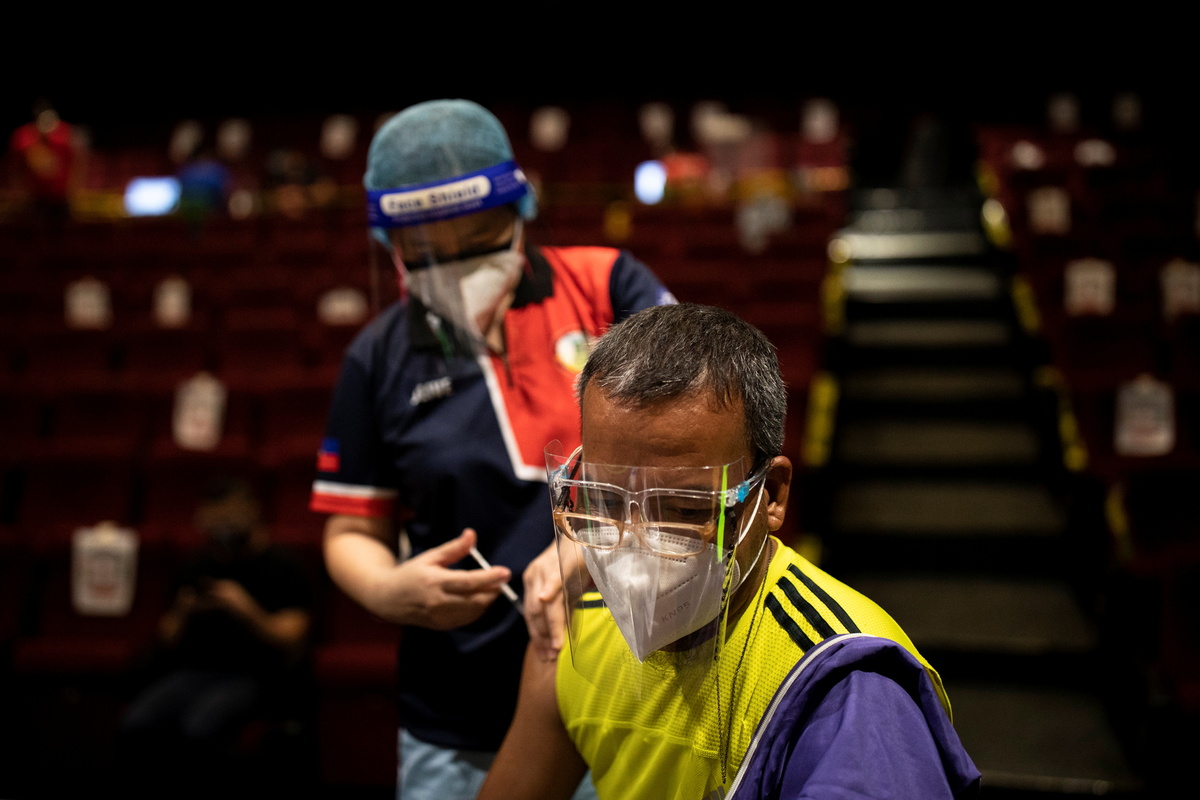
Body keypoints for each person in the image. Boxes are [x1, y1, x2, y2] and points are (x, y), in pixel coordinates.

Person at [310, 98, 675, 800]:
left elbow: (690, 444)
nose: (456, 265)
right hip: (455, 714)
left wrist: (592, 541)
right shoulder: (376, 358)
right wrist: (390, 590)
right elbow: (351, 529)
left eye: (479, 238)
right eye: (425, 250)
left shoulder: (608, 286)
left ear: (520, 208)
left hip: (630, 684)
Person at [478, 303, 982, 800]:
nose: (633, 550)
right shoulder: (574, 635)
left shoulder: (848, 688)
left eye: (683, 509)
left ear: (772, 495)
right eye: (605, 501)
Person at [116, 475, 314, 799]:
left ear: (253, 512)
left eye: (231, 515)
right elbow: (166, 639)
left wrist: (244, 608)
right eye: (216, 517)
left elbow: (292, 639)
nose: (224, 525)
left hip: (254, 675)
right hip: (192, 671)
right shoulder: (195, 565)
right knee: (135, 724)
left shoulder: (282, 566)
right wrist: (184, 611)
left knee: (199, 729)